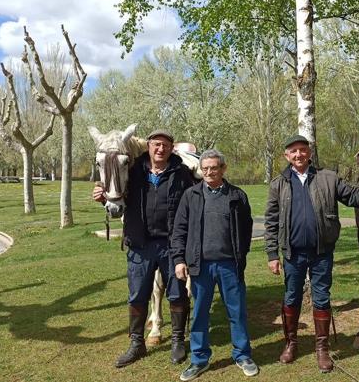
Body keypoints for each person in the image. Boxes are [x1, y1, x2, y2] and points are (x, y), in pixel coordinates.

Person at [264, 135, 359, 373]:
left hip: (321, 253)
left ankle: (322, 350)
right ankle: (291, 344)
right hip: (292, 254)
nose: (298, 155)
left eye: (302, 150)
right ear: (287, 156)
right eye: (293, 151)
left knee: (321, 298)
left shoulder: (328, 178)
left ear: (309, 153)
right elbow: (271, 221)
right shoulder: (279, 184)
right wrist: (272, 255)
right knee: (291, 298)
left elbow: (352, 196)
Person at [92, 129, 194, 368]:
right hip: (140, 244)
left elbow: (194, 201)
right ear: (148, 146)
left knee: (178, 294)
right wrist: (102, 196)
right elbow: (116, 191)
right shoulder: (133, 170)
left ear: (171, 148)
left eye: (166, 145)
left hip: (172, 245)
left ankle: (178, 340)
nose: (161, 149)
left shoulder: (181, 172)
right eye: (156, 144)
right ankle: (137, 344)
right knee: (137, 295)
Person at [171, 149, 257, 381]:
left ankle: (242, 355)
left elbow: (246, 229)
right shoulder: (191, 195)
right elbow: (179, 231)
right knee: (200, 314)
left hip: (230, 266)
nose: (209, 172)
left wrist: (241, 253)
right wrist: (179, 260)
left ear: (223, 168)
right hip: (201, 267)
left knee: (237, 312)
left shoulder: (238, 196)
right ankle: (199, 359)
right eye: (205, 168)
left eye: (214, 167)